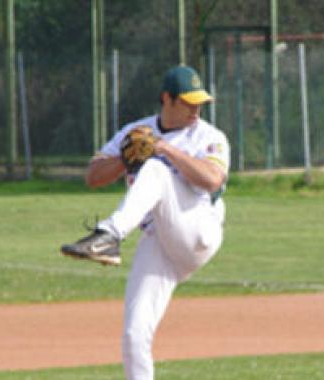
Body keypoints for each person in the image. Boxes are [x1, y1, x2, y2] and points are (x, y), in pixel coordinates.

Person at [60, 66, 229, 379]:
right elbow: (93, 176)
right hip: (159, 241)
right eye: (189, 102)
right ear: (167, 98)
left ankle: (109, 235)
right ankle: (109, 239)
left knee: (156, 170)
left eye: (200, 102)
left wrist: (165, 149)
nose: (196, 109)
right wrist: (125, 159)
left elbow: (212, 178)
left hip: (198, 230)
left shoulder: (210, 137)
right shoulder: (137, 131)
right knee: (134, 334)